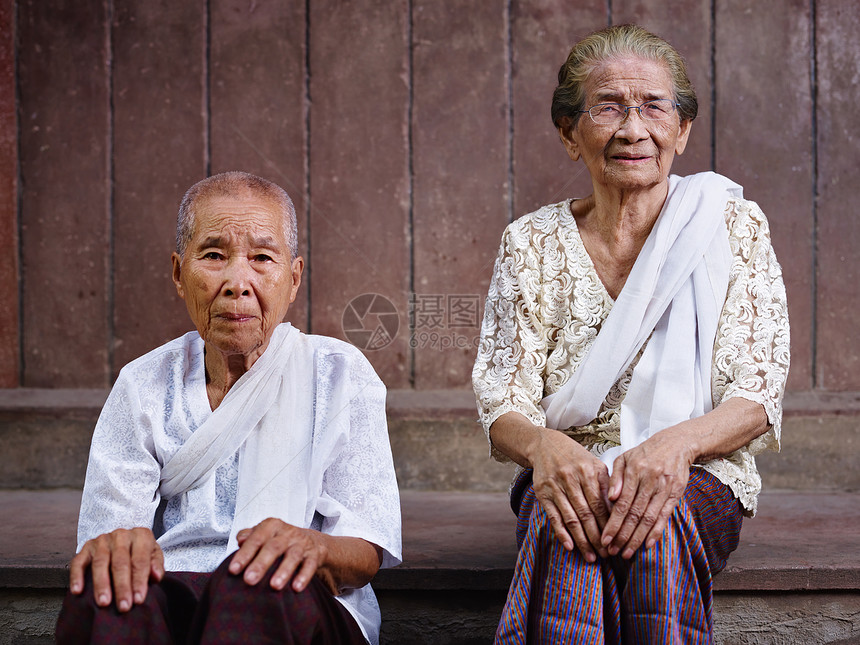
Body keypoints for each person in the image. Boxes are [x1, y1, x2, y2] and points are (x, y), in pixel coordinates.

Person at [472, 24, 789, 644]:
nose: (632, 128)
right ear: (570, 133)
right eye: (608, 106)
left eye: (653, 106)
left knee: (658, 519)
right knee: (569, 519)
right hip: (568, 471)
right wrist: (544, 450)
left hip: (699, 472)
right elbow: (501, 399)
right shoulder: (531, 243)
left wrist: (674, 449)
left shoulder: (730, 226)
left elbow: (756, 393)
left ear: (683, 130)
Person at [56, 171, 401, 645]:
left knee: (253, 585)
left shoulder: (339, 374)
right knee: (111, 596)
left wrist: (313, 547)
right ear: (180, 273)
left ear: (293, 277)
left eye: (262, 258)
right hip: (176, 589)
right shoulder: (144, 383)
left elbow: (365, 552)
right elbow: (110, 543)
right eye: (215, 255)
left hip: (294, 598)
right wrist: (119, 550)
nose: (238, 283)